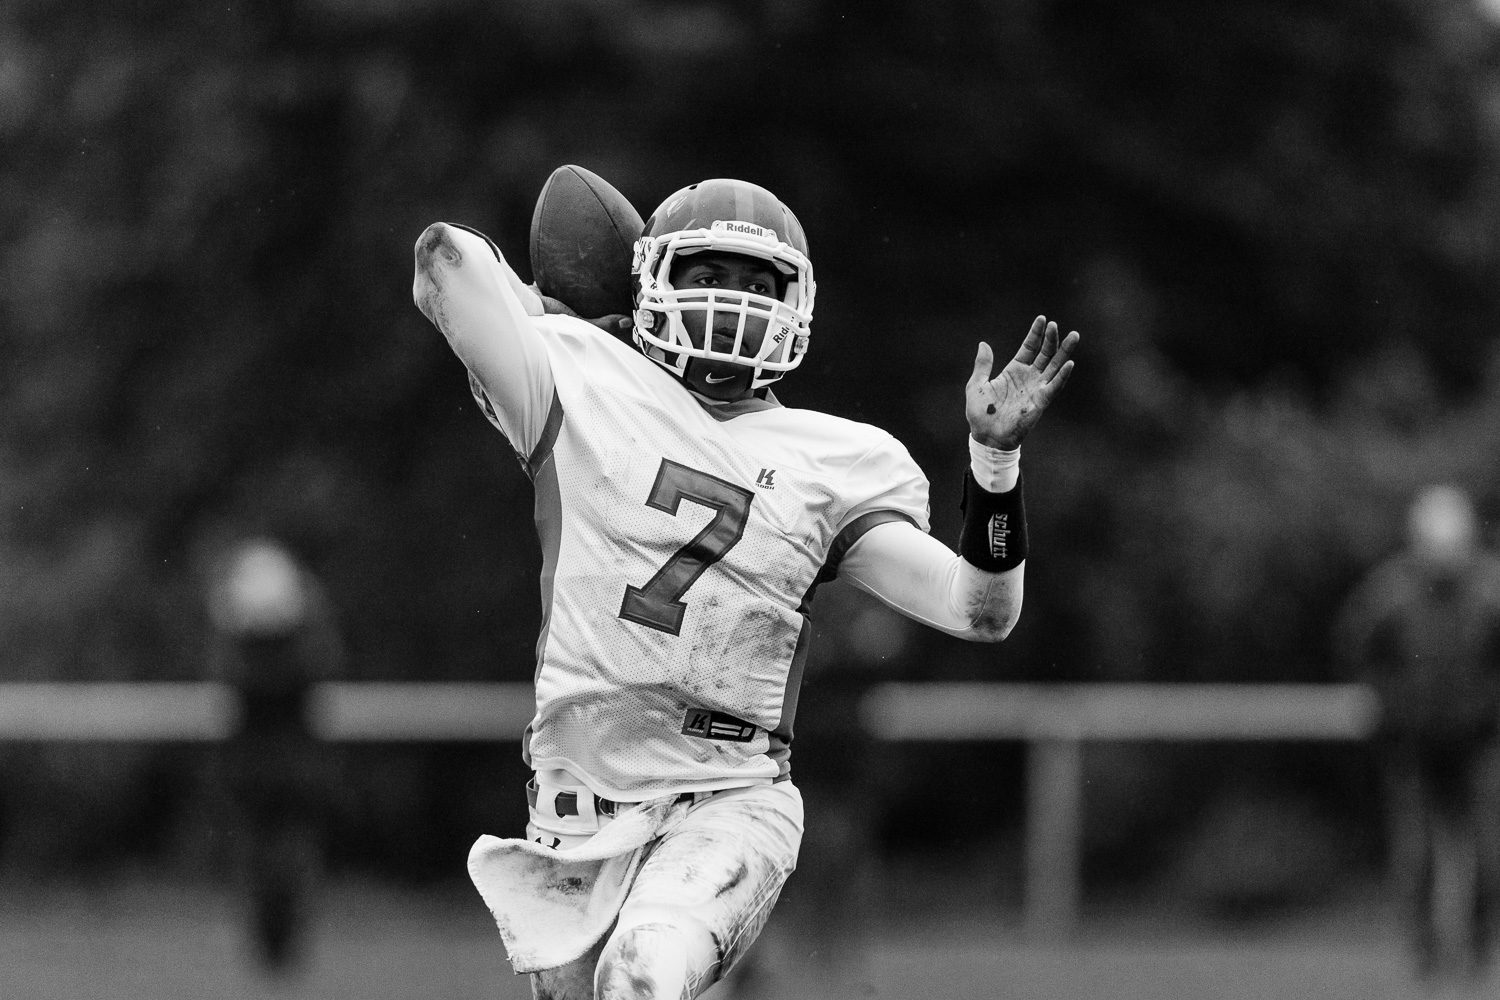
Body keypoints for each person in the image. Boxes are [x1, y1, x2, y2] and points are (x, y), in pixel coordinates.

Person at [411, 178, 1078, 999]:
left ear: (798, 303)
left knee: (641, 977)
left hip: (728, 796)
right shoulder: (581, 378)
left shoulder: (832, 461)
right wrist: (578, 317)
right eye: (707, 275)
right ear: (646, 283)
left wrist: (996, 463)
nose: (733, 300)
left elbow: (980, 608)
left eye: (759, 284)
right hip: (577, 807)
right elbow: (443, 259)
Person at [1334, 485, 1500, 979]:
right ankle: (1426, 952)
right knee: (1417, 853)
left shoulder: (1491, 589)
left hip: (1480, 740)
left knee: (1490, 850)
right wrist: (1389, 703)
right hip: (1414, 742)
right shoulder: (1389, 590)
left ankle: (1478, 949)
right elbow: (1355, 646)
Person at [206, 537, 343, 973]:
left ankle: (274, 949)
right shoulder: (302, 656)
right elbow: (322, 658)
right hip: (285, 775)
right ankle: (278, 950)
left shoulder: (244, 660)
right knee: (279, 863)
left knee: (270, 863)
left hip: (263, 776)